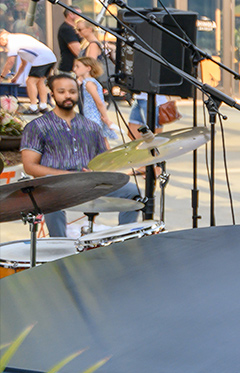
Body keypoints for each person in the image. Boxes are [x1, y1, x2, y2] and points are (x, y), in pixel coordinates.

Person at [21, 74, 141, 237]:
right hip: (56, 185)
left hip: (89, 182)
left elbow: (103, 160)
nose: (68, 96)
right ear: (52, 94)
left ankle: (124, 240)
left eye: (72, 91)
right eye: (61, 91)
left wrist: (100, 170)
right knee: (50, 201)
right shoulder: (36, 127)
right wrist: (68, 176)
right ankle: (59, 245)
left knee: (132, 192)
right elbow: (29, 166)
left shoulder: (91, 126)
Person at [0, 31, 58, 112]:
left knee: (30, 82)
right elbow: (24, 63)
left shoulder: (11, 42)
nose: (2, 46)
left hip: (42, 58)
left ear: (2, 38)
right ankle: (43, 106)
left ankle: (33, 107)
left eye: (0, 43)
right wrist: (16, 77)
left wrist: (2, 76)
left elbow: (10, 62)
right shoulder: (18, 39)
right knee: (40, 82)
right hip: (51, 58)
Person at [72, 57, 116, 142]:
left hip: (91, 116)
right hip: (94, 116)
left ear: (88, 68)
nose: (74, 69)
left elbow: (99, 102)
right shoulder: (88, 82)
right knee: (102, 140)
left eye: (77, 66)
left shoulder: (89, 84)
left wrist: (106, 118)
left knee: (96, 142)